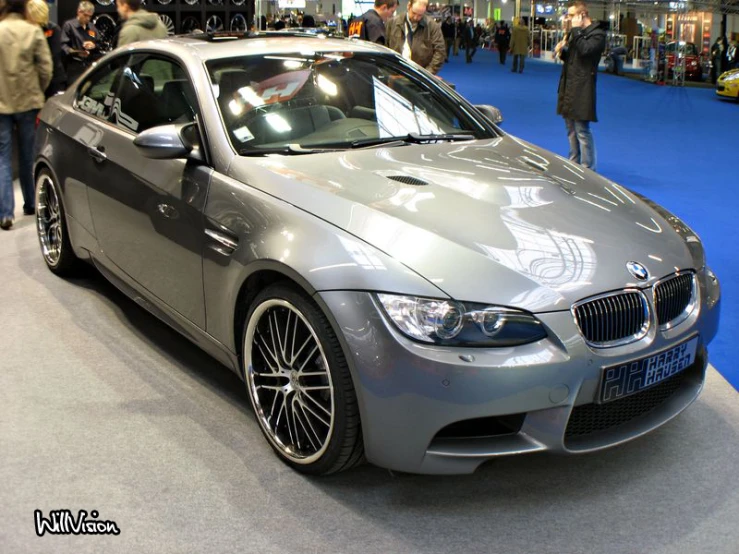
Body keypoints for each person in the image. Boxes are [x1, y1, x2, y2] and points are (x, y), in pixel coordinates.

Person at [0, 0, 53, 230]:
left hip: (1, 103)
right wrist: (38, 91)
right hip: (28, 102)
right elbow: (46, 68)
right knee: (28, 154)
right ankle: (30, 203)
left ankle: (5, 213)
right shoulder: (33, 31)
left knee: (2, 157)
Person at [554, 1, 605, 171]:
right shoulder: (576, 34)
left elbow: (586, 51)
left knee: (582, 130)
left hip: (582, 88)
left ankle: (588, 168)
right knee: (570, 129)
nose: (568, 19)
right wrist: (563, 51)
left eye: (571, 15)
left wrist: (575, 31)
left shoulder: (597, 35)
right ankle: (574, 162)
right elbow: (573, 59)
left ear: (582, 15)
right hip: (569, 86)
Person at [386, 0, 445, 75]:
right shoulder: (392, 23)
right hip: (395, 73)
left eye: (420, 15)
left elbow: (440, 52)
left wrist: (428, 73)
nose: (416, 17)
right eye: (414, 13)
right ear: (408, 6)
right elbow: (385, 46)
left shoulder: (432, 26)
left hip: (420, 75)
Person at [27, 0, 67, 97]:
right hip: (35, 81)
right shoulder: (27, 31)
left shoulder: (53, 29)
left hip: (54, 80)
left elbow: (54, 56)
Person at [61, 1, 100, 84]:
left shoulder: (92, 27)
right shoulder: (69, 26)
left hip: (89, 66)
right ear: (79, 12)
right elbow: (63, 46)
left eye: (90, 16)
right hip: (74, 66)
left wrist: (94, 45)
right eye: (85, 15)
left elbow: (99, 44)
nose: (88, 19)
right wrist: (77, 52)